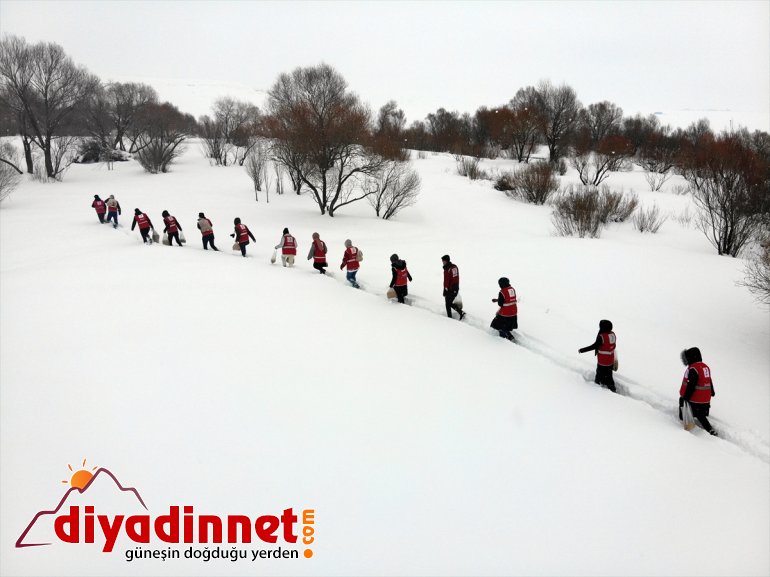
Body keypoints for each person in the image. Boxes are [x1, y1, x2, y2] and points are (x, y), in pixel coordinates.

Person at [679, 347, 717, 436]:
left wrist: (686, 397)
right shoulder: (705, 367)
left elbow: (691, 384)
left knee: (682, 401)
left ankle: (684, 421)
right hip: (706, 400)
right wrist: (712, 392)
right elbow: (709, 380)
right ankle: (710, 430)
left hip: (696, 399)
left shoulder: (693, 369)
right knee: (701, 415)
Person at [578, 319, 617, 392]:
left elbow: (594, 346)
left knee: (599, 374)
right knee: (609, 375)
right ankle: (612, 388)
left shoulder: (601, 337)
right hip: (610, 360)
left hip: (602, 361)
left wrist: (582, 350)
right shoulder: (613, 334)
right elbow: (613, 346)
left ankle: (597, 387)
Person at [490, 277, 517, 341]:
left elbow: (500, 304)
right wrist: (497, 299)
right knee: (506, 326)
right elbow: (508, 299)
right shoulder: (512, 289)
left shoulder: (502, 292)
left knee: (496, 325)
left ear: (502, 284)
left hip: (506, 314)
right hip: (514, 312)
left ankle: (505, 340)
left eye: (499, 284)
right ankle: (508, 335)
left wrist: (498, 300)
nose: (499, 285)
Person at [441, 255, 465, 319]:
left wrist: (454, 288)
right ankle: (461, 313)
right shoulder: (446, 268)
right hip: (447, 289)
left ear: (446, 260)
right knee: (448, 303)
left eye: (443, 261)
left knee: (448, 304)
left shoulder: (453, 268)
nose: (442, 262)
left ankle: (450, 318)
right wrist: (445, 289)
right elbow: (446, 280)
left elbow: (455, 279)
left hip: (452, 289)